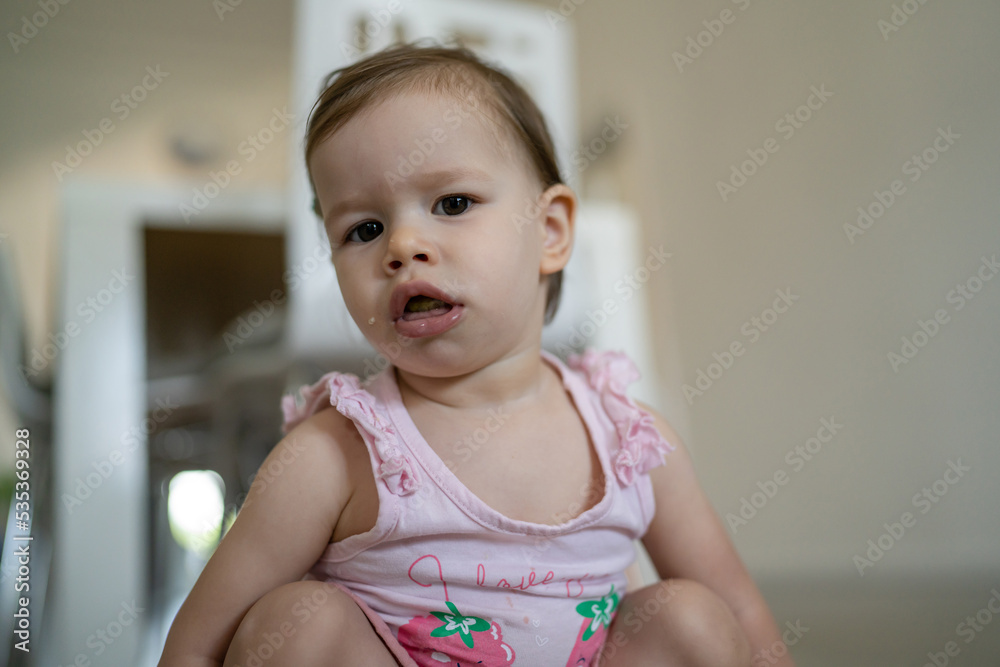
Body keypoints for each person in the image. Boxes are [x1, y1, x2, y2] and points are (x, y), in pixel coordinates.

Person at [160, 42, 793, 667]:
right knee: (295, 623)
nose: (404, 245)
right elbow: (197, 647)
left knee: (694, 619)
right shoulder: (336, 455)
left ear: (549, 233)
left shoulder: (629, 442)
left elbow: (740, 616)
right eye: (364, 229)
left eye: (453, 203)